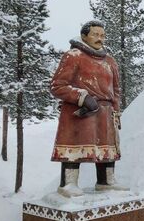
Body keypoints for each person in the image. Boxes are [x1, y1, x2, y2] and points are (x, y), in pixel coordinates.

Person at [50, 20, 127, 197]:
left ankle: (106, 181)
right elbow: (57, 86)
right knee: (75, 147)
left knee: (107, 148)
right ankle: (68, 184)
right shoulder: (73, 56)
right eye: (95, 34)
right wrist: (81, 97)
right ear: (84, 35)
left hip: (105, 112)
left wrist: (116, 110)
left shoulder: (110, 61)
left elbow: (116, 90)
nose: (100, 38)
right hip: (81, 113)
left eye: (102, 35)